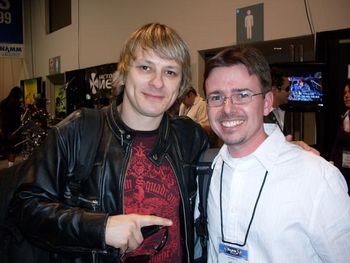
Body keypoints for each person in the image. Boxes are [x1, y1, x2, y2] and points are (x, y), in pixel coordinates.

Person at [10, 23, 209, 263]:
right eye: (145, 67)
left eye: (170, 72)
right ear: (125, 72)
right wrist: (101, 229)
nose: (157, 82)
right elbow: (25, 208)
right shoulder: (80, 131)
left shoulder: (189, 138)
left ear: (181, 83)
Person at [195, 46, 350, 262]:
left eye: (242, 95)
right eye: (216, 97)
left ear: (267, 103)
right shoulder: (206, 172)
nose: (227, 108)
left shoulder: (316, 177)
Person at [330, 79, 350, 192]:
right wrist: (332, 161)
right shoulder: (344, 116)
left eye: (349, 92)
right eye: (344, 93)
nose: (346, 96)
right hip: (341, 168)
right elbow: (337, 144)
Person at [0, 86, 24, 167]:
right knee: (13, 149)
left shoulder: (3, 102)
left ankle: (10, 165)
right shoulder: (17, 104)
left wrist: (1, 129)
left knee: (8, 148)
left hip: (5, 130)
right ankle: (11, 166)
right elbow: (19, 118)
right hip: (14, 130)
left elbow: (1, 117)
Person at [264, 67, 292, 135]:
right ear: (274, 90)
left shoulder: (281, 111)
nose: (290, 92)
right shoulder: (262, 115)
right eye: (287, 89)